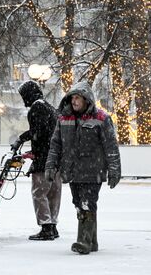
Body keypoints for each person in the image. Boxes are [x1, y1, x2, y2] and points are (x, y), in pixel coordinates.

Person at [45, 81, 121, 255]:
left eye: (78, 98)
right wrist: (51, 165)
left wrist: (115, 169)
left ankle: (84, 241)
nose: (74, 101)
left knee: (87, 203)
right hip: (71, 171)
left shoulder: (101, 118)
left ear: (87, 99)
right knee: (79, 204)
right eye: (72, 98)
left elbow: (111, 146)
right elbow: (55, 145)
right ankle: (92, 241)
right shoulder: (63, 119)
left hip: (93, 170)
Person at [11, 80, 61, 241]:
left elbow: (37, 131)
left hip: (44, 159)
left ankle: (46, 227)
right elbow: (48, 132)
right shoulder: (49, 106)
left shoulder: (37, 107)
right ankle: (52, 225)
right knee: (54, 193)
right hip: (55, 157)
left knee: (39, 192)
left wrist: (21, 139)